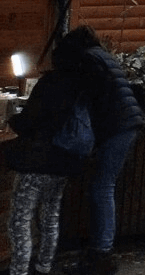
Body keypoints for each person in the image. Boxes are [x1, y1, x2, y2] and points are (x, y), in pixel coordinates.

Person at [56, 25, 144, 275]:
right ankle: (100, 253)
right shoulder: (101, 55)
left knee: (102, 187)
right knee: (103, 186)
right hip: (127, 122)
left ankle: (102, 255)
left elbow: (87, 94)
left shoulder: (88, 59)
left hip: (117, 125)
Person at [6, 36, 92, 275]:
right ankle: (44, 266)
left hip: (38, 160)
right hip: (65, 160)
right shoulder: (81, 83)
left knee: (20, 221)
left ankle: (19, 271)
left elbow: (30, 120)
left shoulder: (51, 83)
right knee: (50, 216)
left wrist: (12, 120)